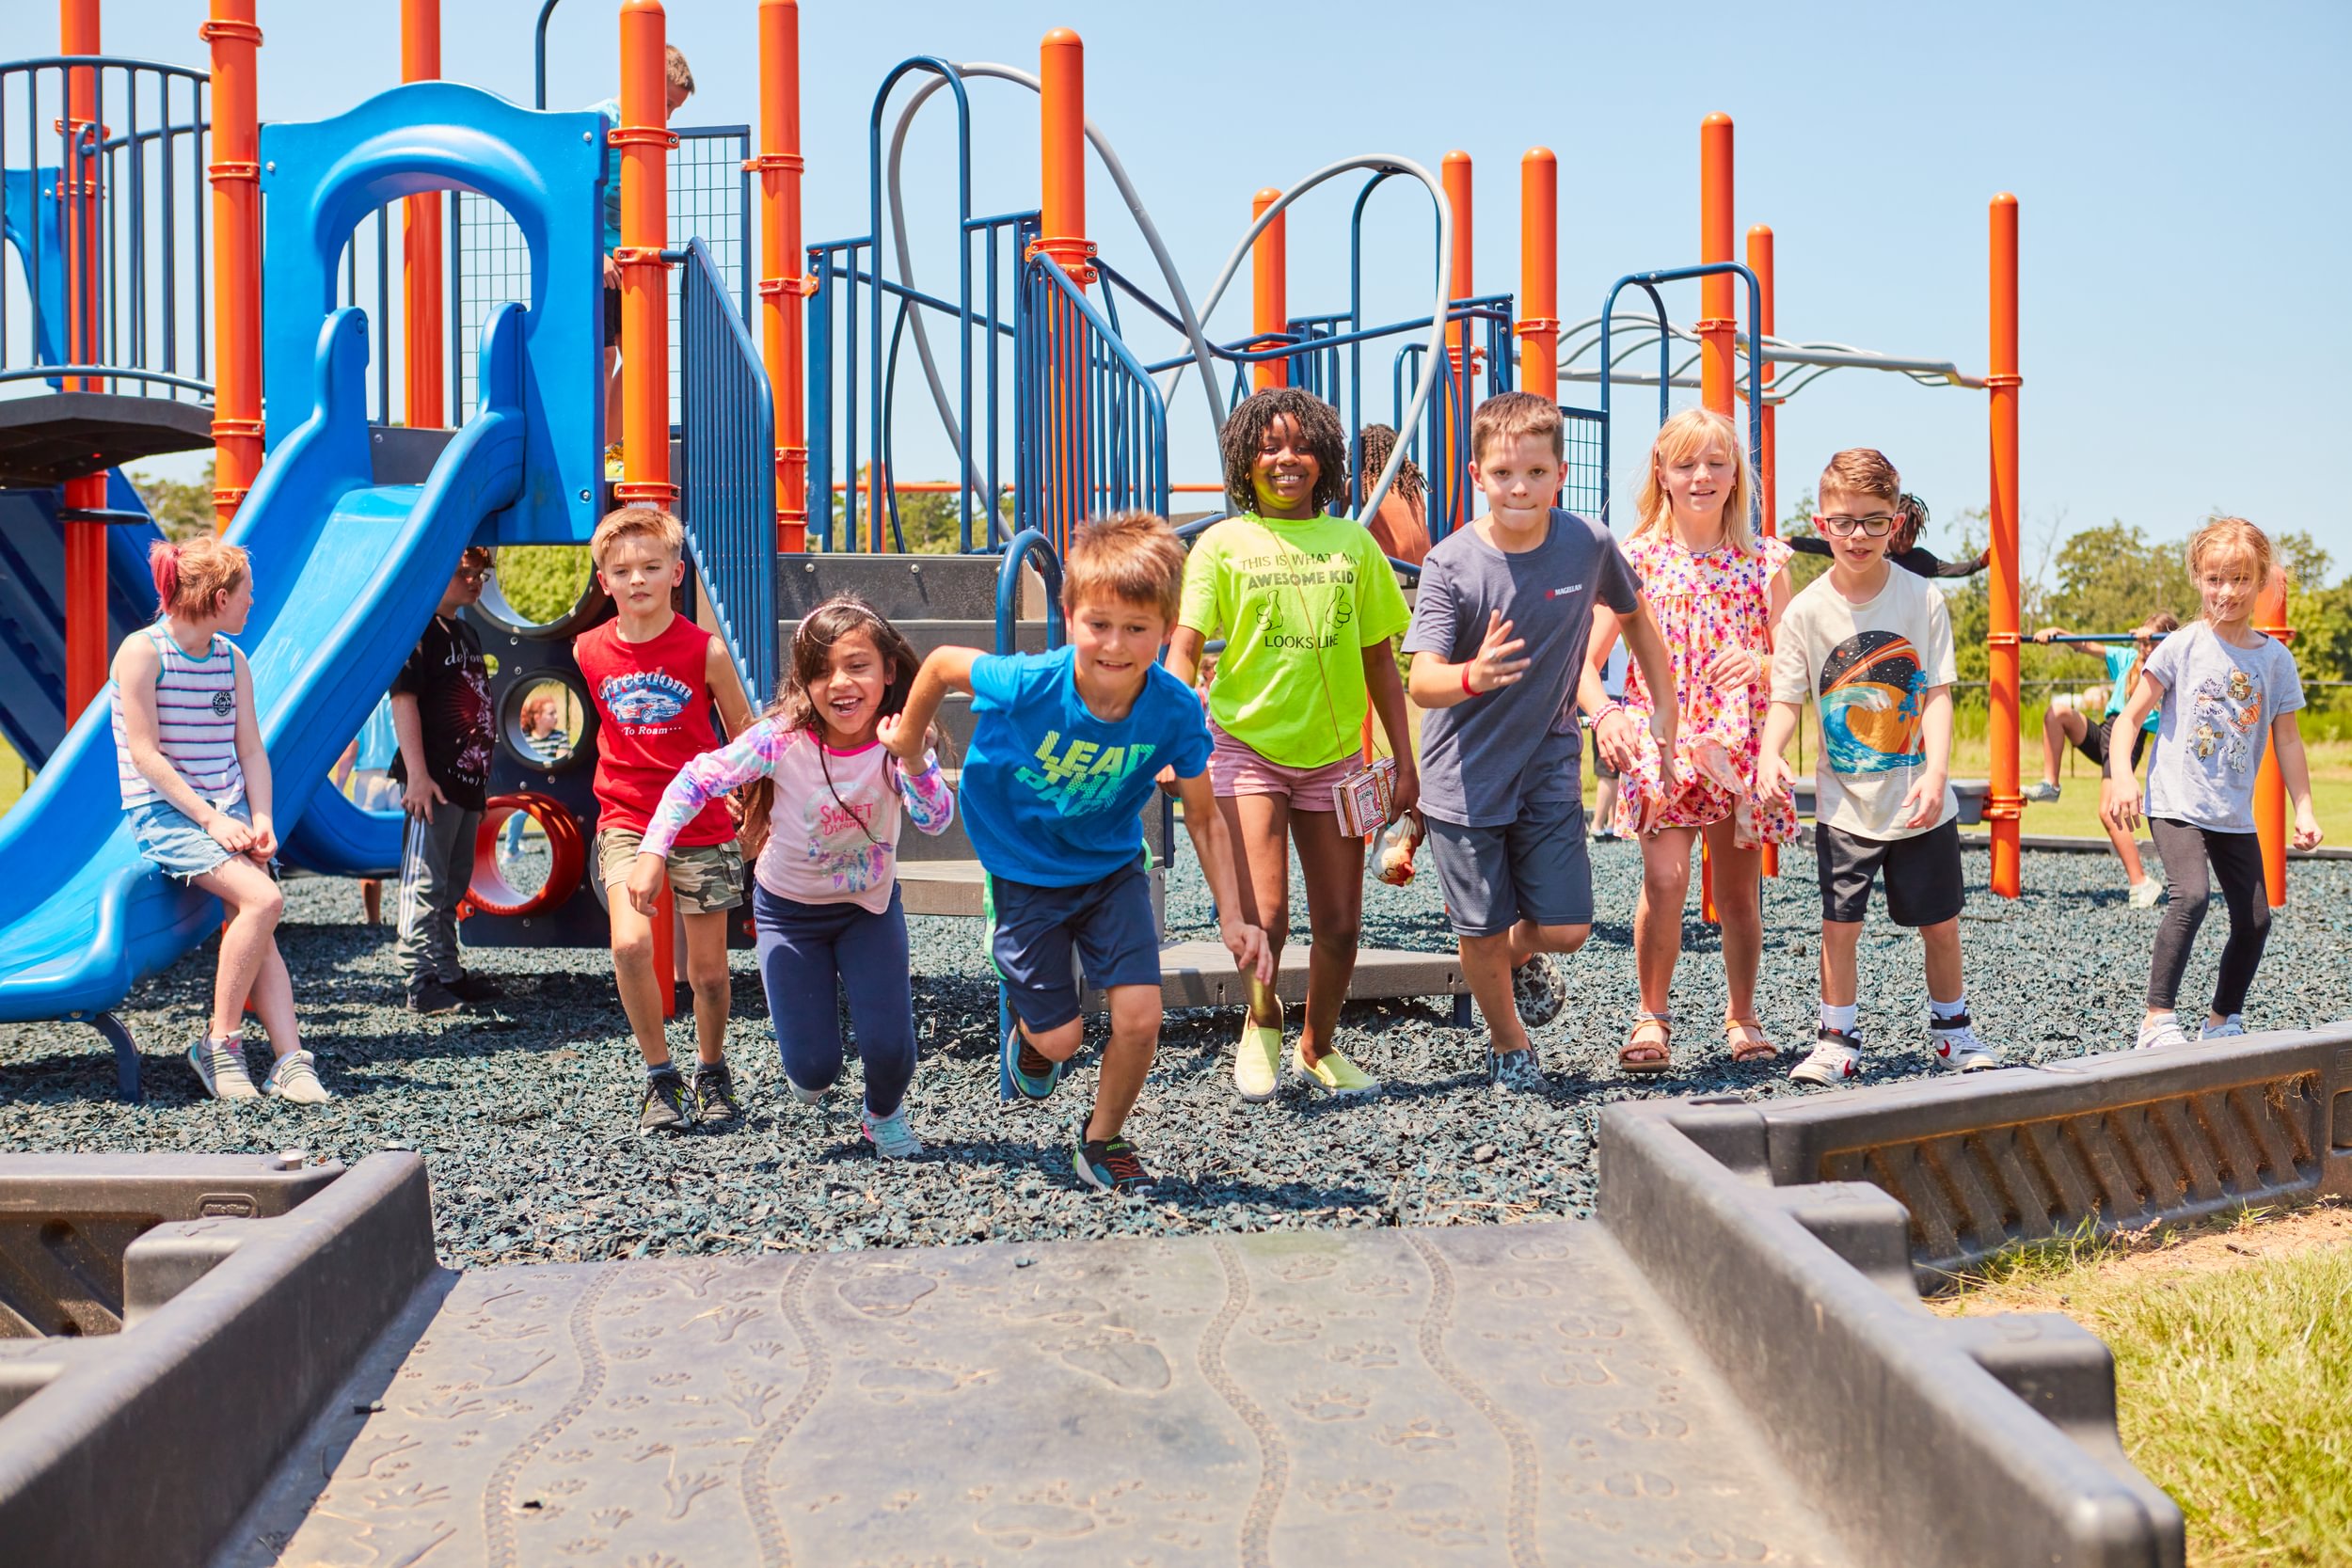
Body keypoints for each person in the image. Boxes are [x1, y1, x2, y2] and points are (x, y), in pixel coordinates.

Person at [889, 512, 1271, 1194]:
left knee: (1139, 1014)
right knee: (1061, 1040)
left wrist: (1233, 915)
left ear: (1168, 627)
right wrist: (909, 742)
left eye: (1137, 628)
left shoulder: (1176, 709)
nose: (1115, 645)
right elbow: (944, 664)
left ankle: (1101, 1139)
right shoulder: (1033, 682)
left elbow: (1206, 817)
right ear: (1068, 616)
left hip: (1109, 865)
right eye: (1099, 623)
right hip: (1022, 864)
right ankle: (1033, 1039)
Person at [1403, 392, 1677, 1090]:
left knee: (1566, 926)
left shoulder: (1588, 543)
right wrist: (1473, 674)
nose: (1518, 486)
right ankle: (1508, 1041)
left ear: (1561, 473)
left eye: (1533, 471)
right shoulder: (1451, 564)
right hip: (1463, 774)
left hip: (1548, 762)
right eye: (1502, 473)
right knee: (1478, 924)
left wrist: (1663, 708)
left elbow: (1637, 621)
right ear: (1477, 475)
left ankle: (1510, 955)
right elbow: (1423, 680)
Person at [633, 596, 955, 1159]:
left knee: (890, 1049)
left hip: (868, 911)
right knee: (813, 1070)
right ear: (803, 683)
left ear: (888, 671)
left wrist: (914, 761)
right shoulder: (782, 739)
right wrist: (652, 850)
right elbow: (696, 779)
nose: (840, 683)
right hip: (790, 914)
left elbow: (935, 820)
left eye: (857, 666)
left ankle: (882, 1115)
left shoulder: (896, 740)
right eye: (820, 671)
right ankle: (812, 1069)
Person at [1169, 388, 1418, 1101]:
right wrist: (1171, 716)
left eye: (1300, 445)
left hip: (1335, 760)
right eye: (1269, 446)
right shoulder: (1221, 544)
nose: (1285, 458)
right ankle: (1263, 1018)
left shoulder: (1353, 545)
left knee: (1340, 925)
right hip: (1246, 748)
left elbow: (1379, 660)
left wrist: (1404, 760)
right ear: (1244, 461)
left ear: (1326, 459)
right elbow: (1184, 646)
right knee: (1268, 916)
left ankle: (1319, 1045)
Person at [1758, 449, 2000, 1085]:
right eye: (1843, 522)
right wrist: (1769, 752)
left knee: (1941, 924)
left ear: (1895, 521)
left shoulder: (1921, 599)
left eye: (1872, 520)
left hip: (1918, 799)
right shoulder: (1806, 613)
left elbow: (1939, 695)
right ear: (1821, 522)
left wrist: (1938, 771)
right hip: (1846, 806)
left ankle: (1953, 1031)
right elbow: (1787, 698)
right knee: (1839, 926)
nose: (1857, 535)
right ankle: (1837, 1036)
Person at [1587, 407, 1799, 1074]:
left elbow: (1798, 666)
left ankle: (1742, 1013)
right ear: (1663, 473)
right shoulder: (1633, 559)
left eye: (1716, 462)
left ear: (1737, 472)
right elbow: (1584, 662)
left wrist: (1762, 665)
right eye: (1686, 464)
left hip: (1739, 749)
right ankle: (1652, 1012)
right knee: (1665, 875)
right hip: (1666, 748)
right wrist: (1608, 715)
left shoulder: (1766, 561)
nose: (1701, 475)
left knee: (1738, 896)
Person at [111, 538, 326, 1104]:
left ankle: (288, 1060)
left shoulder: (232, 660)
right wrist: (211, 820)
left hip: (226, 811)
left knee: (258, 924)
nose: (252, 603)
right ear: (220, 596)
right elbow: (145, 754)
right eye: (247, 594)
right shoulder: (143, 652)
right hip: (168, 814)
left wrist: (259, 817)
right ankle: (219, 1043)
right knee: (264, 902)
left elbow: (251, 750)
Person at [2102, 517, 2322, 1050]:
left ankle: (2223, 1019)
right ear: (2198, 578)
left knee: (2255, 919)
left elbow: (2288, 741)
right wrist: (2124, 777)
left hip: (2232, 812)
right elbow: (2130, 719)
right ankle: (2157, 1020)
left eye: (2241, 579)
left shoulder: (2275, 660)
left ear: (2261, 579)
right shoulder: (2181, 646)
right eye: (2216, 579)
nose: (2228, 592)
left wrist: (2305, 809)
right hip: (2177, 802)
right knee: (2191, 897)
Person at [575, 505, 755, 1132]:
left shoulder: (704, 651)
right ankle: (660, 1077)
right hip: (625, 818)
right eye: (621, 570)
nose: (637, 580)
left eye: (651, 566)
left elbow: (745, 734)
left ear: (677, 572)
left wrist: (742, 795)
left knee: (707, 973)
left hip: (700, 822)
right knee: (629, 943)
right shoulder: (586, 650)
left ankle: (712, 1069)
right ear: (603, 581)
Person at [389, 548, 498, 1016]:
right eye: (463, 572)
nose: (474, 580)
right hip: (431, 781)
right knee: (425, 880)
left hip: (465, 781)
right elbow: (404, 700)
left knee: (453, 882)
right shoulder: (419, 630)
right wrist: (417, 775)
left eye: (481, 573)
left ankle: (447, 970)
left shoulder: (467, 631)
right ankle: (420, 977)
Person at [589, 45, 694, 479]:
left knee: (635, 355)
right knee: (603, 354)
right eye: (666, 103)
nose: (668, 117)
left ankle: (614, 452)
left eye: (675, 109)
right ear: (645, 86)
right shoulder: (599, 124)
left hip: (628, 259)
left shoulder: (649, 137)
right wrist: (594, 255)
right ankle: (591, 451)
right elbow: (568, 199)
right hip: (593, 257)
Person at [2026, 614, 2181, 905]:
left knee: (2108, 812)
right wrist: (2056, 630)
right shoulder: (2127, 658)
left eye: (2151, 642)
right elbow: (2084, 646)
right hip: (2106, 730)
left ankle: (2141, 882)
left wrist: (2161, 642)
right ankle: (2051, 783)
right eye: (2142, 641)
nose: (2144, 648)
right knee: (2057, 713)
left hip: (2128, 739)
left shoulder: (2168, 671)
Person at [1786, 493, 1989, 578]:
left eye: (1912, 536)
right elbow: (1819, 545)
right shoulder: (1871, 549)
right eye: (1902, 535)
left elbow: (1952, 569)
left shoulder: (1919, 559)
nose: (1906, 542)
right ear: (1892, 528)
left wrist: (1979, 562)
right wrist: (1788, 542)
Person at [501, 688, 574, 862]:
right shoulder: (524, 738)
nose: (556, 717)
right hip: (531, 788)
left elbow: (562, 759)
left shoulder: (559, 736)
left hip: (552, 787)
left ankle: (561, 855)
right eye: (551, 713)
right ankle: (511, 851)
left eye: (556, 712)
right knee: (518, 814)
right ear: (537, 717)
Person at [1355, 422, 1430, 567]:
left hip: (1392, 568)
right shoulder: (1412, 484)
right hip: (1422, 569)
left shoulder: (1361, 486)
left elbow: (1326, 519)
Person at [1589, 643, 1629, 842]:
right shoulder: (1619, 639)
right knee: (1616, 767)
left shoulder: (1607, 637)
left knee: (1606, 768)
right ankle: (1612, 824)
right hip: (1620, 699)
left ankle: (1596, 824)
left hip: (1604, 702)